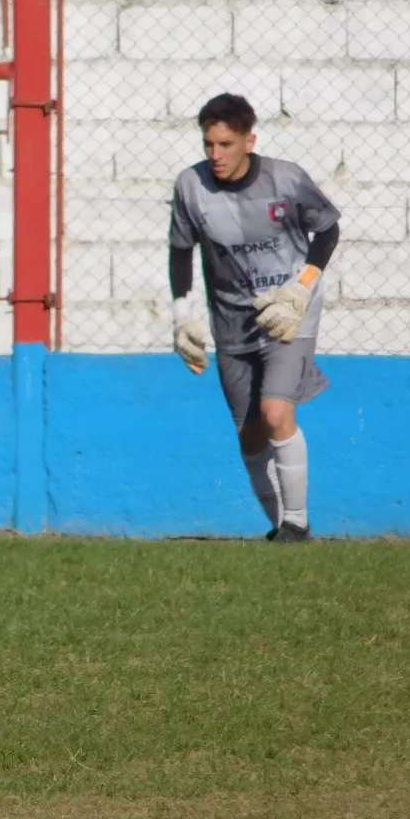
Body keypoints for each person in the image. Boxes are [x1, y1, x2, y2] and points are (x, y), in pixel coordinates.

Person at [168, 93, 341, 542]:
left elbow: (327, 228)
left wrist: (301, 288)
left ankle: (296, 523)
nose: (215, 155)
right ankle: (281, 526)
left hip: (287, 315)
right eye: (209, 144)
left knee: (276, 412)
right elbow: (181, 250)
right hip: (231, 320)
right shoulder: (190, 186)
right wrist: (181, 316)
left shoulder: (285, 180)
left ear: (249, 140)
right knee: (249, 433)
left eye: (225, 144)